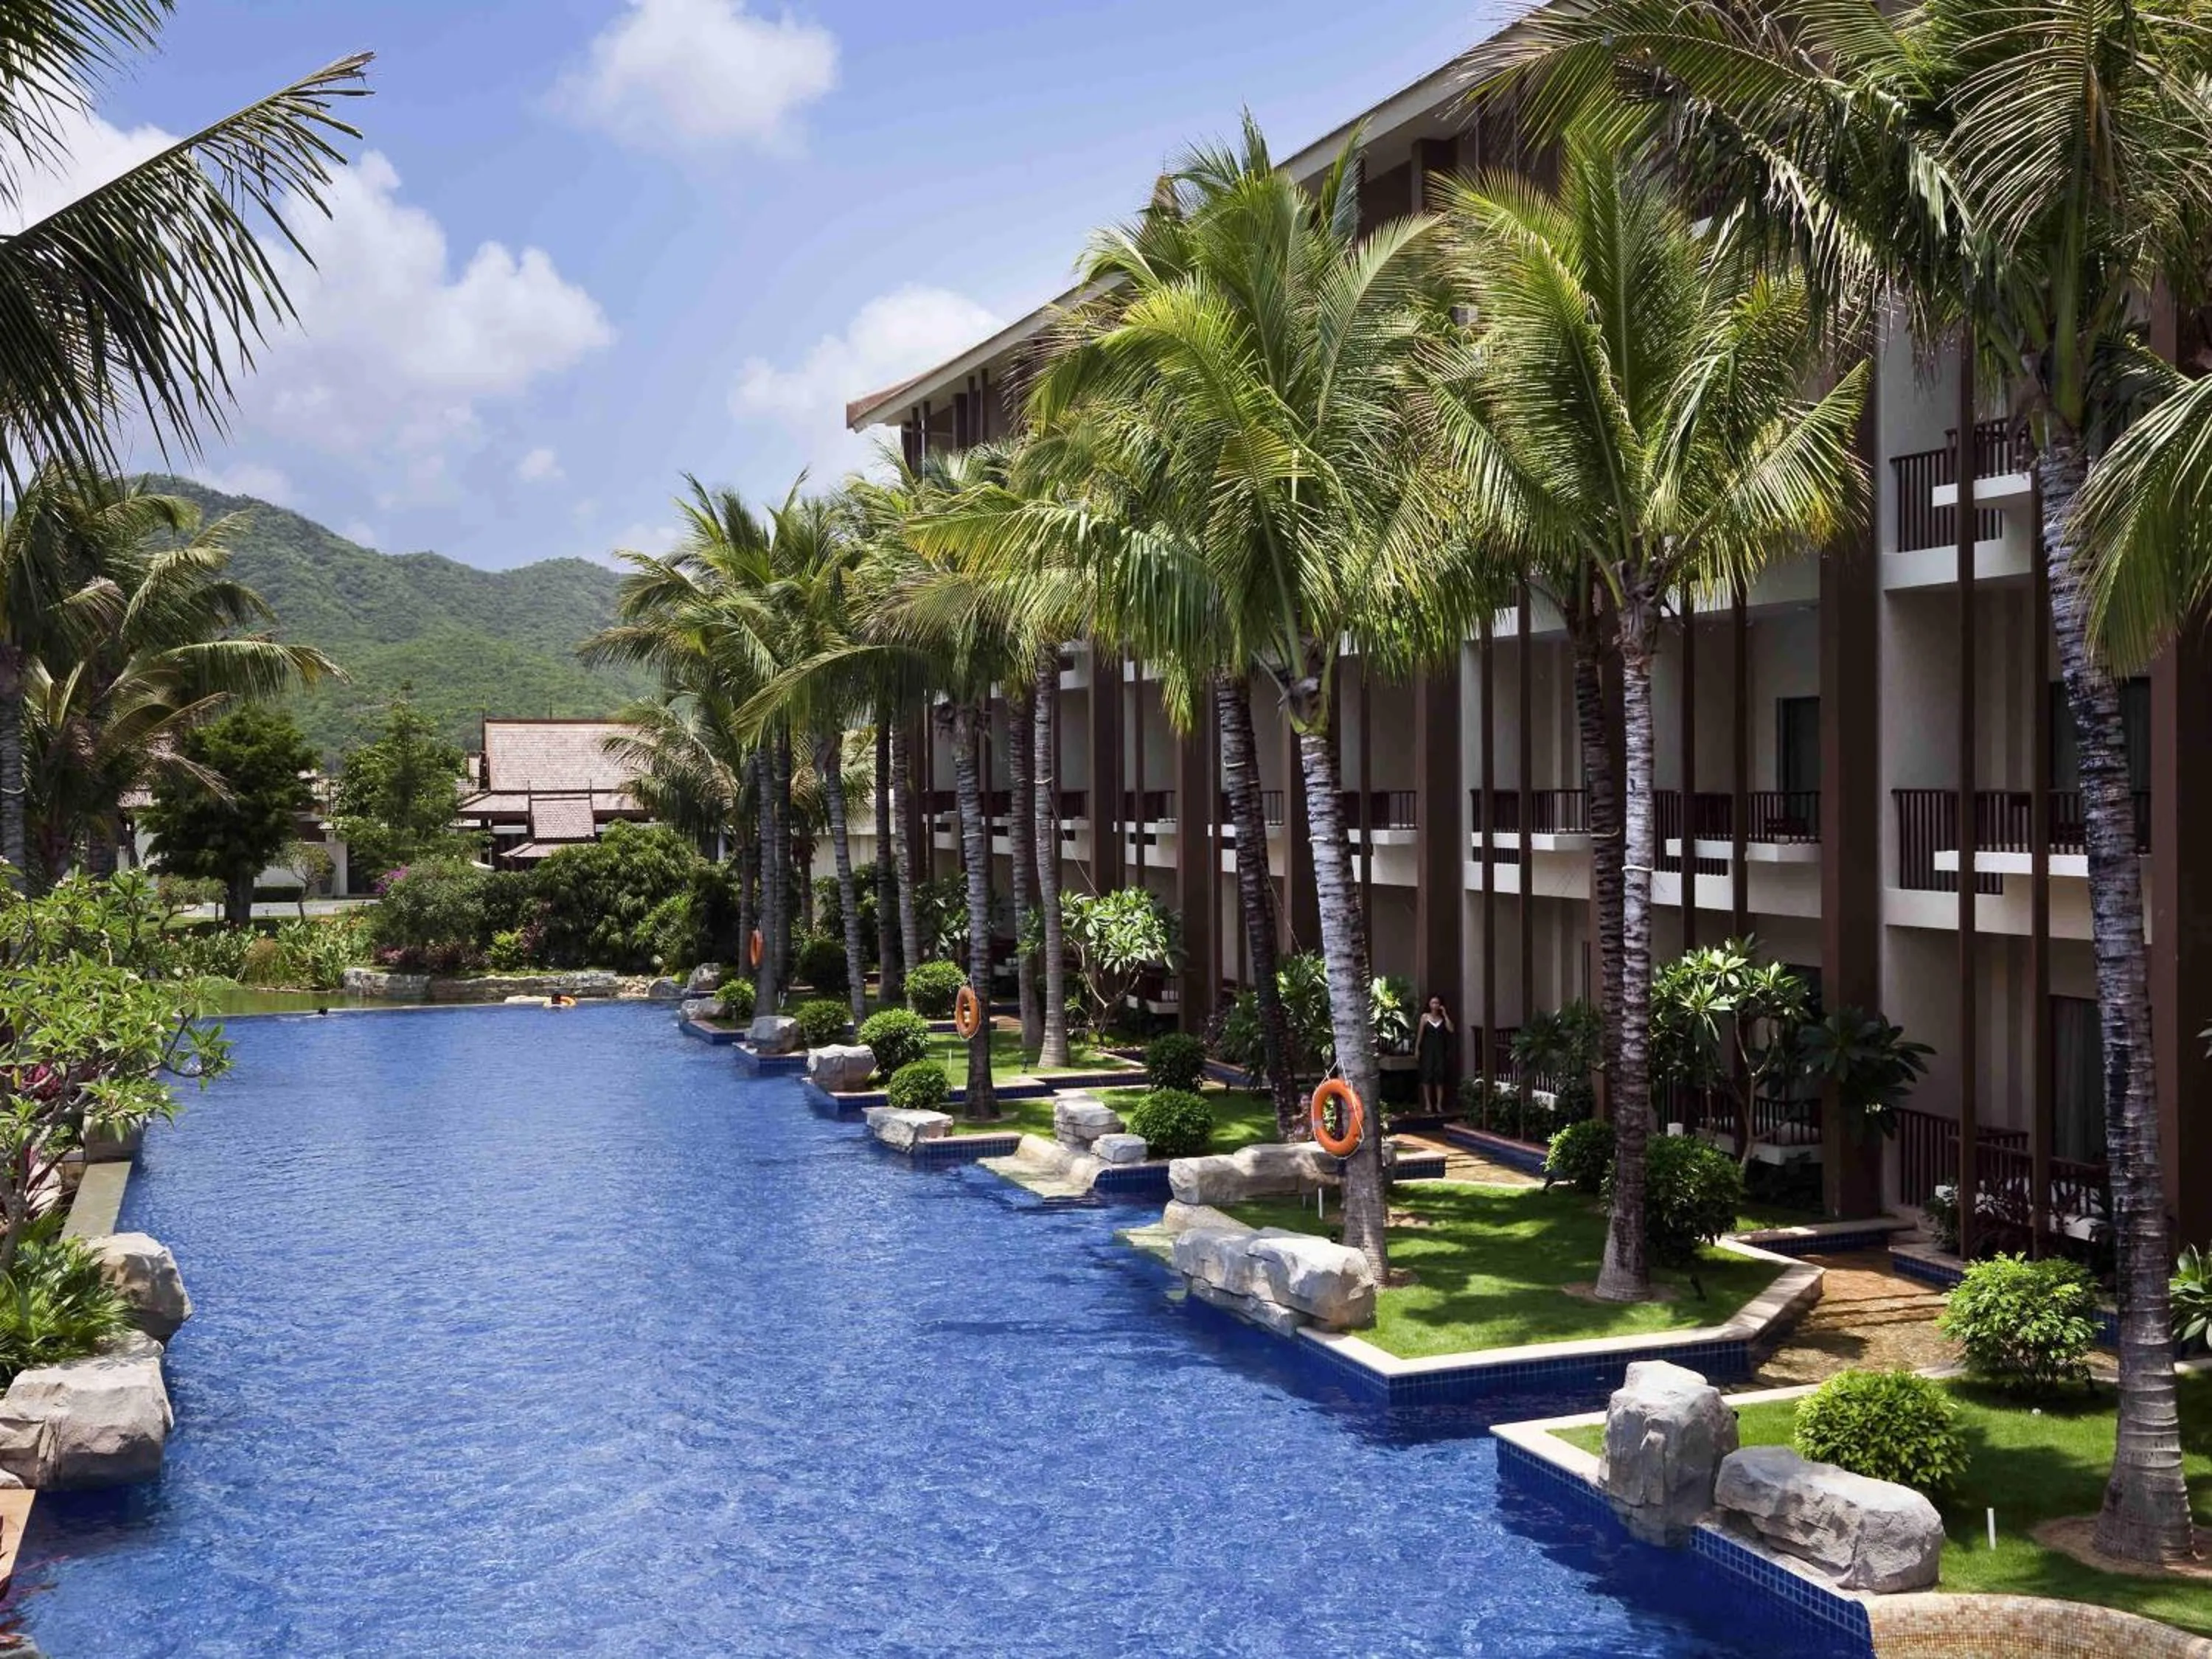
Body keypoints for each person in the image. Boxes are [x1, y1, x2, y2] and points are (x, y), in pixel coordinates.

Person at [1416, 995, 1455, 1116]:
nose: (1435, 1005)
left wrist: (1445, 1014)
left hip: (1440, 1051)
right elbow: (1420, 1034)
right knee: (1427, 1076)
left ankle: (1439, 1104)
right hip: (1428, 1051)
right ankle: (1428, 1104)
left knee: (1440, 1077)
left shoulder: (1442, 1019)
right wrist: (1417, 1048)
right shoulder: (1425, 1017)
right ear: (1429, 1004)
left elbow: (1451, 1030)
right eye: (1433, 1003)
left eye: (1437, 1003)